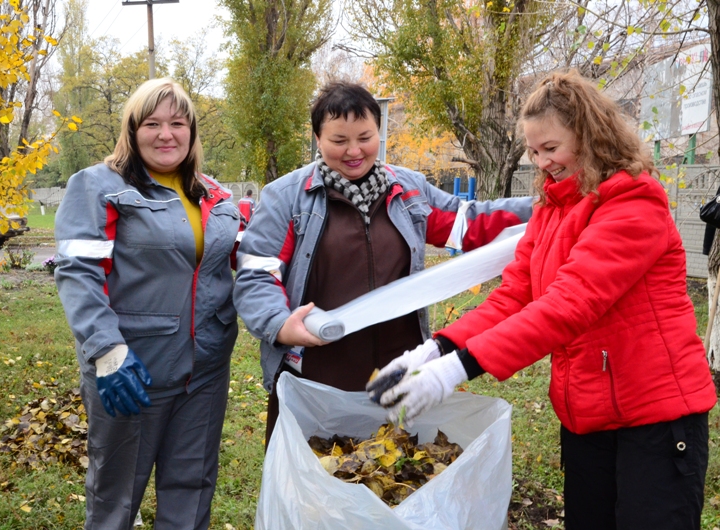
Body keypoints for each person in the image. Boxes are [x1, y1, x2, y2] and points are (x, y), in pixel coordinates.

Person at [369, 70, 717, 530]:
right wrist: (435, 349)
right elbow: (515, 296)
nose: (541, 162)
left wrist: (457, 370)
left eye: (551, 149)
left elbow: (568, 305)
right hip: (588, 420)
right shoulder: (552, 209)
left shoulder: (634, 203)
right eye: (533, 152)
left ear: (591, 136)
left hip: (654, 422)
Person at [233, 81, 534, 445]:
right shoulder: (286, 198)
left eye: (365, 137)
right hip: (317, 378)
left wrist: (545, 206)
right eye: (339, 140)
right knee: (317, 487)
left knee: (394, 481)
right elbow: (256, 275)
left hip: (397, 372)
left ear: (380, 131)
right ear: (317, 138)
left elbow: (468, 221)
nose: (354, 151)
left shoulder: (407, 188)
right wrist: (280, 325)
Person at [54, 78, 240, 530]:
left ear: (192, 132)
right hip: (132, 370)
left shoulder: (214, 194)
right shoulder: (99, 186)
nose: (166, 134)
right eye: (152, 123)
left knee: (192, 490)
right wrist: (107, 351)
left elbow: (244, 266)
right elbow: (78, 273)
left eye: (178, 123)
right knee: (116, 498)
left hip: (205, 372)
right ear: (132, 130)